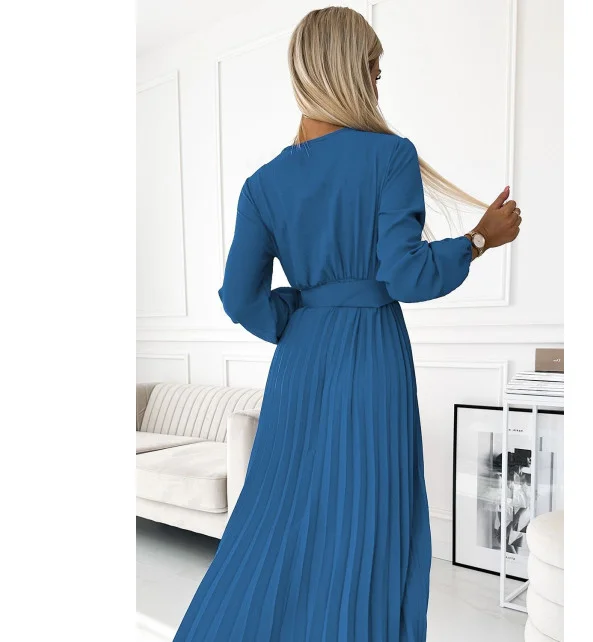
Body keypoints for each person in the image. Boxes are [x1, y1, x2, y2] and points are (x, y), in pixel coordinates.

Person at [173, 6, 521, 642]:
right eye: (374, 71)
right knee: (370, 517)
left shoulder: (263, 184)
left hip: (300, 360)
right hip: (371, 357)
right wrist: (478, 240)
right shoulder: (389, 156)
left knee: (277, 516)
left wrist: (300, 311)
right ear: (346, 71)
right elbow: (406, 276)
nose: (378, 86)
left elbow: (240, 297)